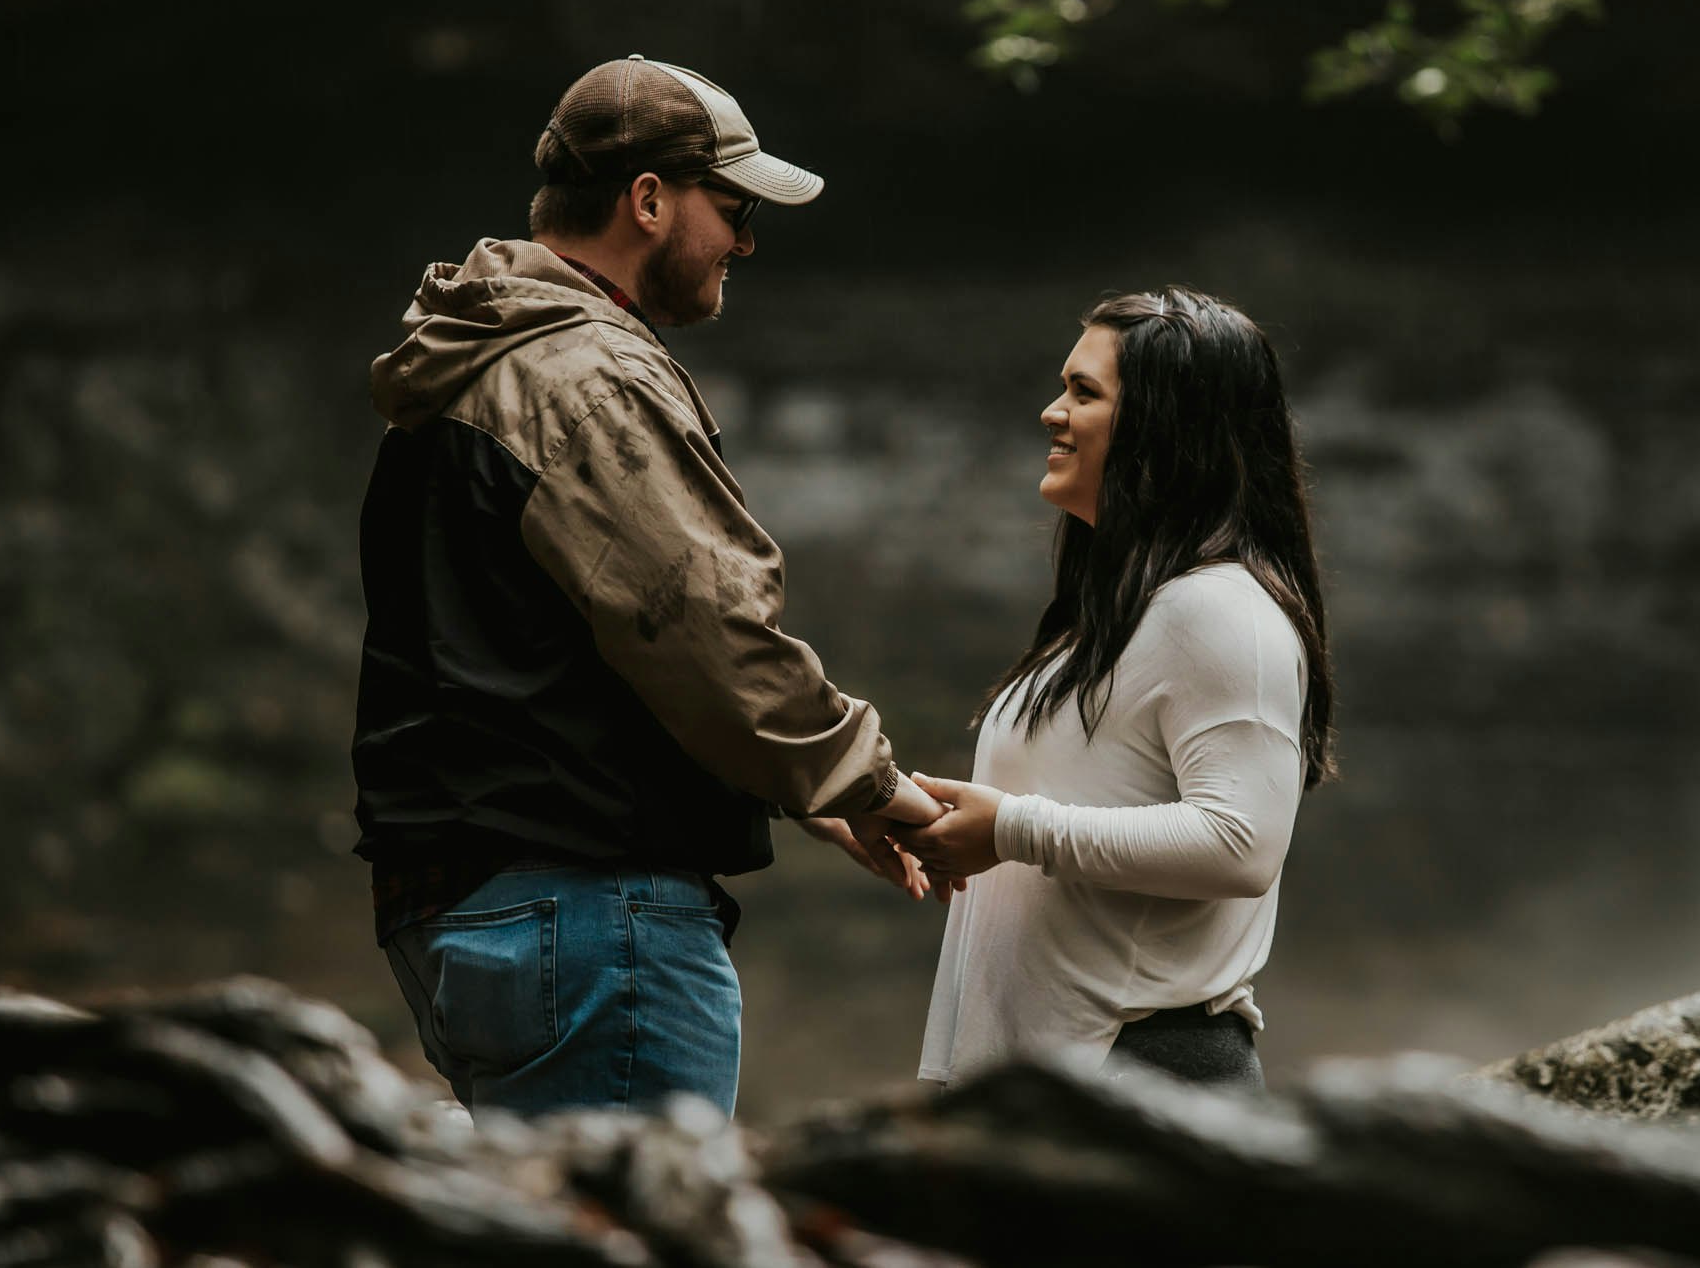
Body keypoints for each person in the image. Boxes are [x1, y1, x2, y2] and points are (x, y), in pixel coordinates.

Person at [350, 54, 943, 1120]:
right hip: (590, 919)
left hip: (458, 912)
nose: (745, 243)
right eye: (734, 210)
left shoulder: (467, 364)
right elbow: (704, 631)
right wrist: (874, 785)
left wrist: (800, 793)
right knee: (647, 1213)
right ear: (651, 201)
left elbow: (574, 657)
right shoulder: (587, 378)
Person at [903, 287, 1336, 1088]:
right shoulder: (1114, 617)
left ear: (1165, 425)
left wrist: (1012, 829)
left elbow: (1241, 843)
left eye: (1084, 392)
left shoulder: (1221, 610)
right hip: (1058, 1077)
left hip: (1143, 1065)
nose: (1052, 412)